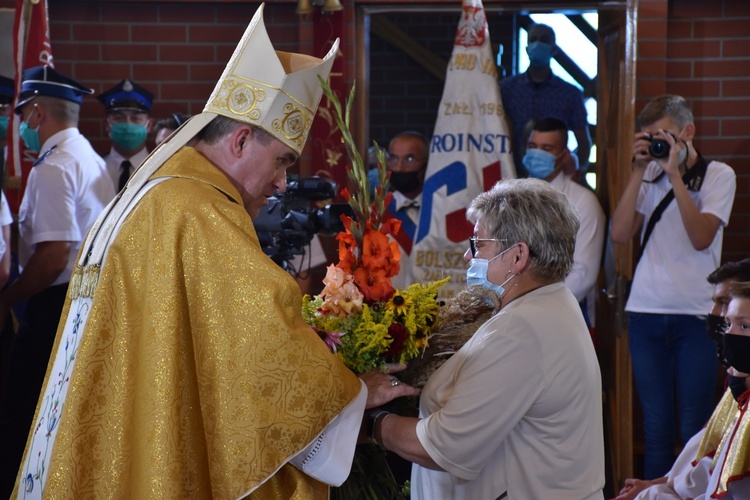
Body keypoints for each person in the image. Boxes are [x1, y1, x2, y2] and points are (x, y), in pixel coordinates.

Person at [9, 7, 417, 499]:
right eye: (283, 160)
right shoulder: (200, 210)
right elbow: (261, 339)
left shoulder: (163, 189)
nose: (284, 182)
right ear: (242, 139)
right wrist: (352, 393)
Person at [366, 179, 604, 498]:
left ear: (518, 256)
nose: (467, 256)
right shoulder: (551, 301)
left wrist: (370, 423)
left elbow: (445, 447)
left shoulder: (521, 330)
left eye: (478, 244)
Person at [0, 65, 115, 498]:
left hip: (53, 306)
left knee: (27, 419)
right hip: (83, 303)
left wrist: (7, 300)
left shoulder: (54, 167)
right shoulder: (87, 155)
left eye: (23, 114)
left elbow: (52, 257)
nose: (21, 124)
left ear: (36, 114)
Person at [611, 94, 737, 479]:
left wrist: (675, 176)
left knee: (693, 429)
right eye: (649, 138)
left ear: (688, 132)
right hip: (646, 313)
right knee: (656, 429)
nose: (656, 146)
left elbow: (701, 237)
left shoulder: (718, 175)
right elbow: (619, 233)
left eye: (662, 136)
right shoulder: (647, 175)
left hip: (696, 315)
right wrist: (638, 169)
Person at [614, 258, 750, 500]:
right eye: (728, 322)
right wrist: (655, 484)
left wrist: (657, 489)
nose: (716, 316)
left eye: (741, 325)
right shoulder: (738, 386)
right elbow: (704, 465)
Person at [523, 117, 605, 326]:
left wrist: (536, 309)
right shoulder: (511, 197)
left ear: (563, 155)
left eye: (547, 148)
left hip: (565, 314)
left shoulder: (583, 202)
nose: (537, 154)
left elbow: (583, 274)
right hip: (516, 313)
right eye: (532, 147)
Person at [500, 23, 591, 179]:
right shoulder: (506, 89)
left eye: (544, 39)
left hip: (554, 174)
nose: (538, 43)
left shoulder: (570, 93)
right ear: (527, 47)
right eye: (533, 39)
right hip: (512, 173)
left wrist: (575, 170)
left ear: (554, 49)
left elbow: (583, 141)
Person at [385, 130, 428, 289]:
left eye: (410, 159)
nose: (400, 167)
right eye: (394, 158)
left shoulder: (440, 211)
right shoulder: (374, 216)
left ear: (426, 163)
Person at [98, 79, 155, 192]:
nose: (128, 125)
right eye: (118, 118)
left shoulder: (159, 170)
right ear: (107, 125)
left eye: (136, 118)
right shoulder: (94, 170)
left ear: (149, 125)